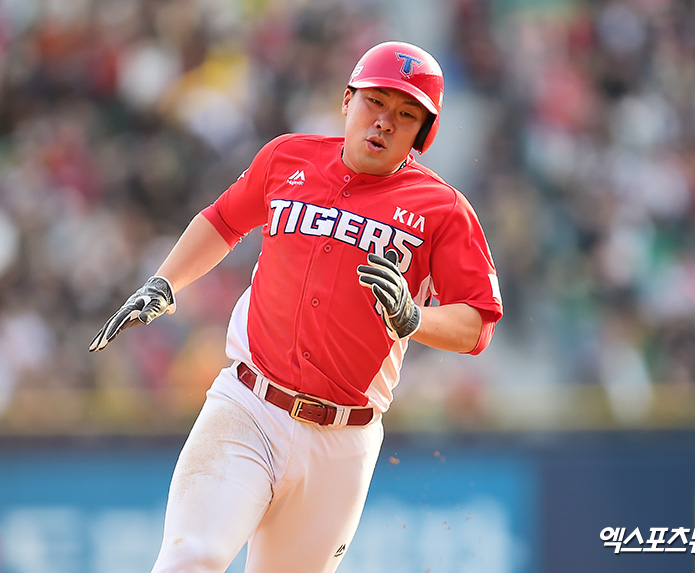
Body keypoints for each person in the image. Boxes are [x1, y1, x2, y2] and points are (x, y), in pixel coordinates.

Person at [89, 40, 503, 573]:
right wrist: (165, 281)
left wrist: (413, 318)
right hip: (249, 405)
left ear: (423, 134)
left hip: (344, 439)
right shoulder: (288, 156)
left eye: (406, 114)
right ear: (347, 100)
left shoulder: (443, 209)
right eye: (376, 101)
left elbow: (478, 324)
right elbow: (224, 220)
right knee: (193, 558)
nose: (384, 121)